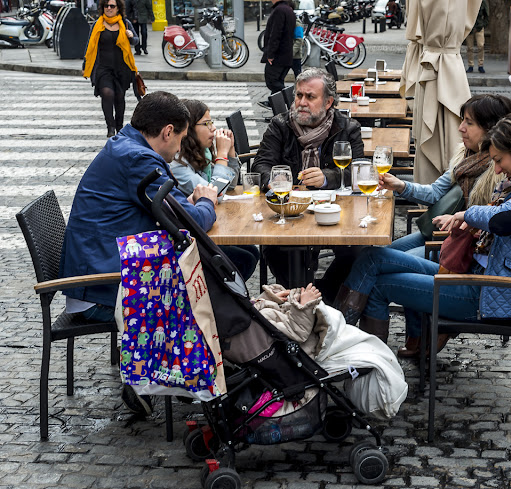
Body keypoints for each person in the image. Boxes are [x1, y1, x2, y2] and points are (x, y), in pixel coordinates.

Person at [335, 112, 511, 358]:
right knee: (373, 257)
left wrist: (467, 215)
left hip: (488, 294)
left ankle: (362, 359)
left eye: (499, 160)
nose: (497, 169)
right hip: (475, 277)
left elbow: (505, 219)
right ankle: (337, 334)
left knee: (381, 286)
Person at [60, 91, 219, 415]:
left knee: (228, 265)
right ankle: (177, 377)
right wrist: (206, 201)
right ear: (167, 132)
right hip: (101, 286)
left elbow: (170, 211)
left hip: (99, 270)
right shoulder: (139, 159)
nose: (179, 148)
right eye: (182, 137)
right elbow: (188, 224)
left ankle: (174, 372)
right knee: (209, 288)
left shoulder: (128, 146)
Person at [252, 67, 365, 303]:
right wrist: (279, 182)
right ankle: (301, 301)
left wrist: (326, 178)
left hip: (336, 214)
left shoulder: (348, 128)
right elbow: (260, 165)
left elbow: (358, 171)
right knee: (274, 248)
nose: (301, 103)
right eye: (298, 95)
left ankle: (319, 296)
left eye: (310, 97)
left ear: (328, 102)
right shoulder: (280, 125)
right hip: (291, 211)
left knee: (356, 252)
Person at [380, 95, 511, 259]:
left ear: (490, 129)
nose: (460, 128)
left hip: (461, 249)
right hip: (440, 233)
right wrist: (400, 186)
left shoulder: (501, 171)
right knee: (375, 253)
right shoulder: (465, 156)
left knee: (377, 260)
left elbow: (493, 227)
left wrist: (462, 220)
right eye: (462, 120)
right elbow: (435, 192)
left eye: (469, 122)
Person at [254, 283, 408, 418]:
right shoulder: (255, 319)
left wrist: (269, 299)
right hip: (312, 346)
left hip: (314, 337)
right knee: (367, 349)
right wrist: (305, 305)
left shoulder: (250, 314)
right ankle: (386, 391)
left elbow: (261, 311)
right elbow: (298, 331)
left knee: (365, 345)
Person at [170, 99, 259, 280]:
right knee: (244, 259)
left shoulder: (202, 153)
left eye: (212, 122)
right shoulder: (177, 163)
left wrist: (231, 152)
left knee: (251, 251)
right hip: (188, 236)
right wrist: (222, 155)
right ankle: (223, 300)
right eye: (206, 123)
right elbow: (214, 192)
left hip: (204, 227)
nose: (213, 128)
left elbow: (230, 185)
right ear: (189, 129)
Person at [83, 0, 140, 138]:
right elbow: (90, 45)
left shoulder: (125, 23)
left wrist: (131, 37)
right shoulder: (97, 25)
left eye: (112, 6)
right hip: (103, 68)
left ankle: (119, 126)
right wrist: (86, 64)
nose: (109, 8)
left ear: (118, 8)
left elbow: (136, 40)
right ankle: (110, 127)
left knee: (120, 97)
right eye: (106, 6)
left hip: (122, 69)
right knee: (107, 93)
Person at [258, 0, 296, 109]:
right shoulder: (288, 9)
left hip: (279, 54)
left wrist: (270, 54)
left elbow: (275, 33)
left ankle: (292, 99)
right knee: (278, 80)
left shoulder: (279, 10)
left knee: (272, 81)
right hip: (287, 54)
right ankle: (274, 104)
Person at [465, 0, 489, 74]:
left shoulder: (482, 1)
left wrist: (483, 25)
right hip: (469, 27)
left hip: (479, 27)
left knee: (481, 45)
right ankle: (470, 65)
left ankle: (480, 65)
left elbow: (486, 15)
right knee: (469, 47)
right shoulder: (467, 2)